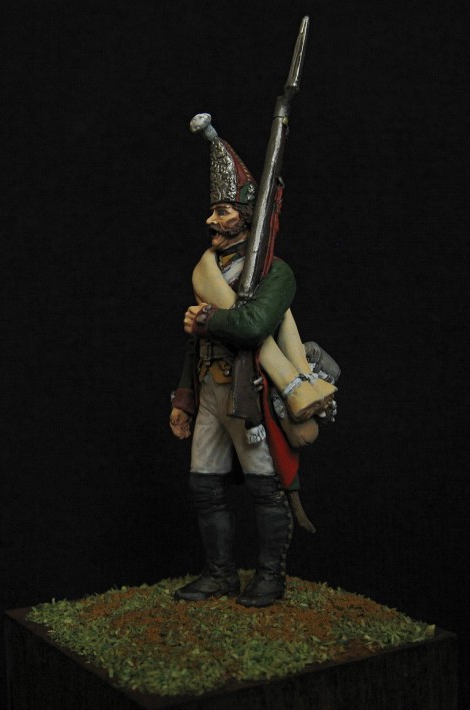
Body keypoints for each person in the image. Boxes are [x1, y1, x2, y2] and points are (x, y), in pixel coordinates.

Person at [169, 119, 333, 608]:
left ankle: (270, 577)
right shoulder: (209, 270)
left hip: (250, 395)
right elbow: (195, 345)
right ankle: (220, 575)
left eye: (221, 211)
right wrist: (184, 399)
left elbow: (254, 326)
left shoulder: (275, 274)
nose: (211, 221)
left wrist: (209, 320)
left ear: (243, 216)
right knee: (204, 486)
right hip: (210, 391)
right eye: (213, 211)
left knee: (265, 488)